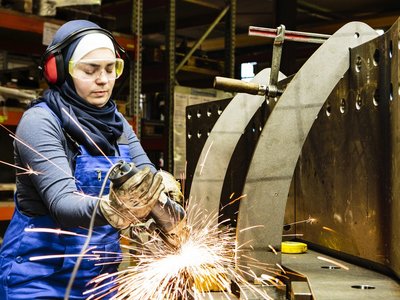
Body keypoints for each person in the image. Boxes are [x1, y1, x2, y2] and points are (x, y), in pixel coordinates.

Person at [0, 20, 182, 299]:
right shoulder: (40, 122)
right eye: (91, 69)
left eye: (111, 69)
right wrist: (114, 209)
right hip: (40, 280)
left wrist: (164, 203)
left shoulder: (117, 124)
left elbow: (148, 177)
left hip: (100, 281)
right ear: (59, 70)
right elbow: (62, 203)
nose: (104, 79)